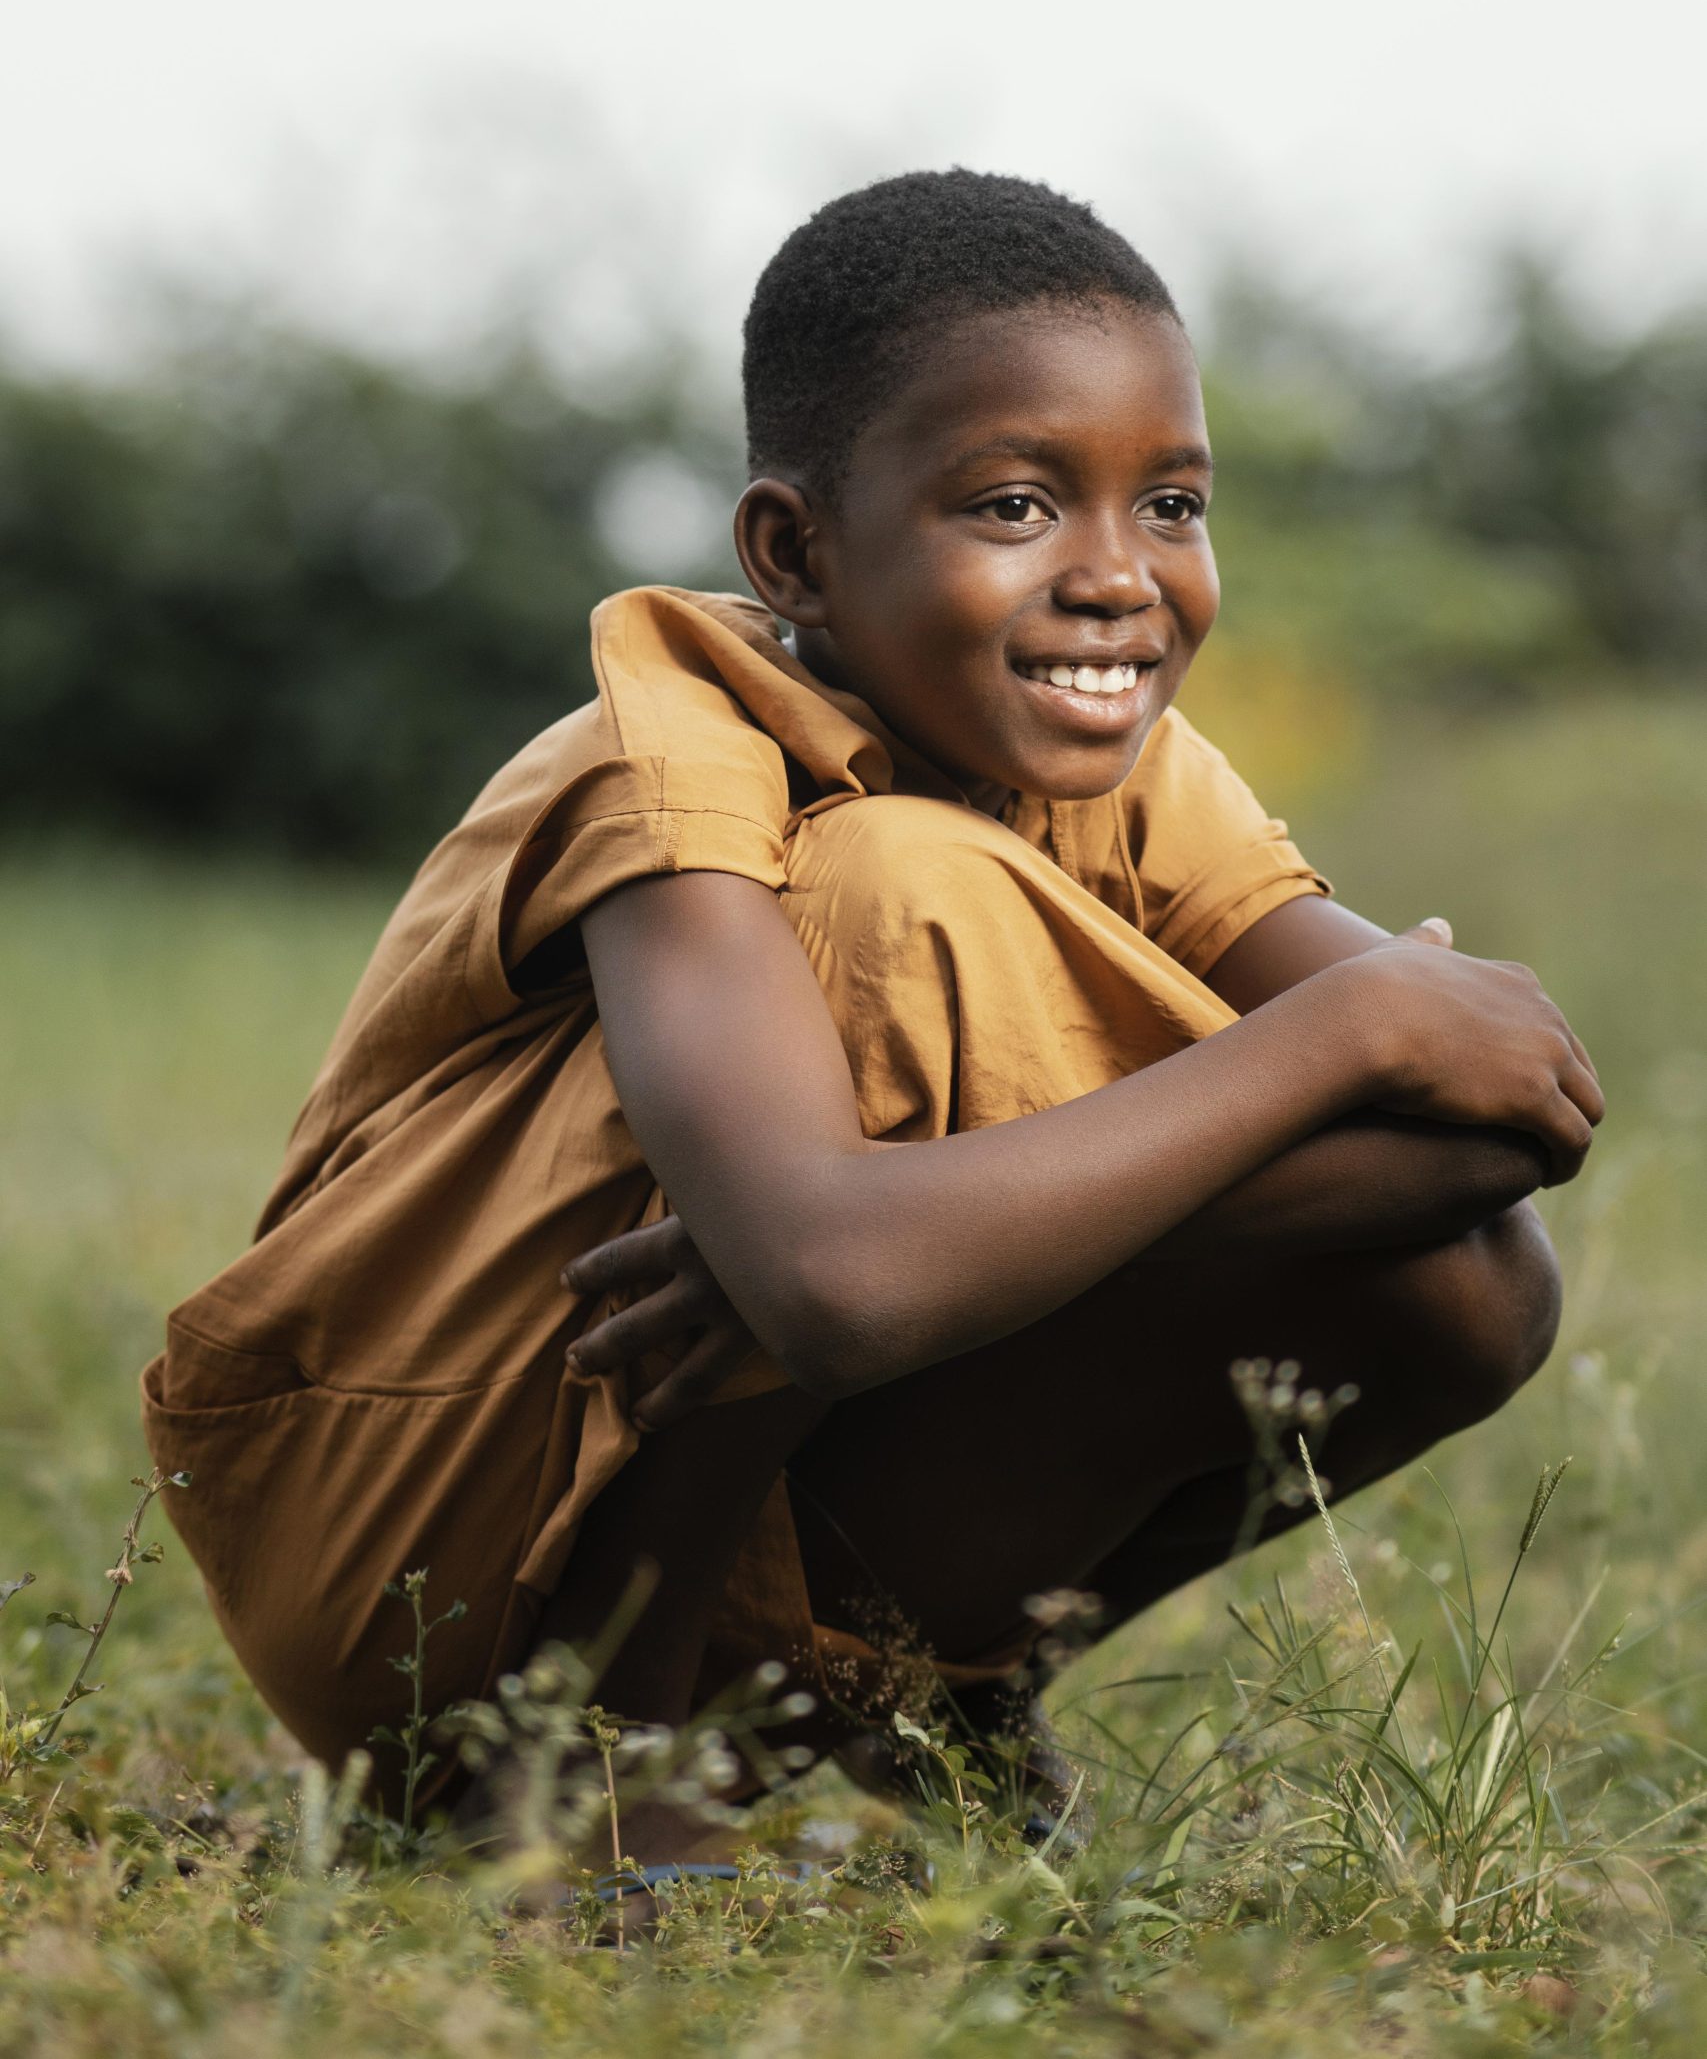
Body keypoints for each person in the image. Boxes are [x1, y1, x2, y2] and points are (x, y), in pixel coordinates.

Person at [141, 172, 1598, 1867]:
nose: (1121, 578)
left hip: (753, 1449)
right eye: (1014, 505)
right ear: (796, 552)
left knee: (1472, 1285)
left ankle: (935, 1683)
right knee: (900, 896)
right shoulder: (677, 756)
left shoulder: (1133, 766)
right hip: (409, 1514)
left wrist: (869, 1242)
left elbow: (1501, 1121)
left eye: (1175, 504)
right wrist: (1343, 1039)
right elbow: (841, 1283)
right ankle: (582, 1774)